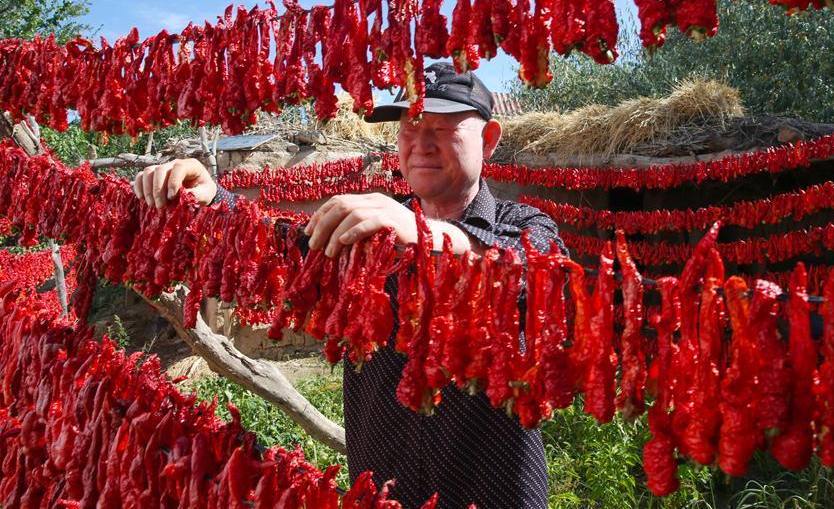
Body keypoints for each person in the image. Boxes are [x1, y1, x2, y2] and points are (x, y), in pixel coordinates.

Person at [132, 62, 568, 508]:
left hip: (492, 491)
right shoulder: (370, 228)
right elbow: (284, 254)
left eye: (442, 127)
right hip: (382, 488)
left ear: (489, 139)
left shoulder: (522, 225)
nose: (421, 144)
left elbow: (543, 274)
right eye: (409, 127)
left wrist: (426, 233)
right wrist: (213, 198)